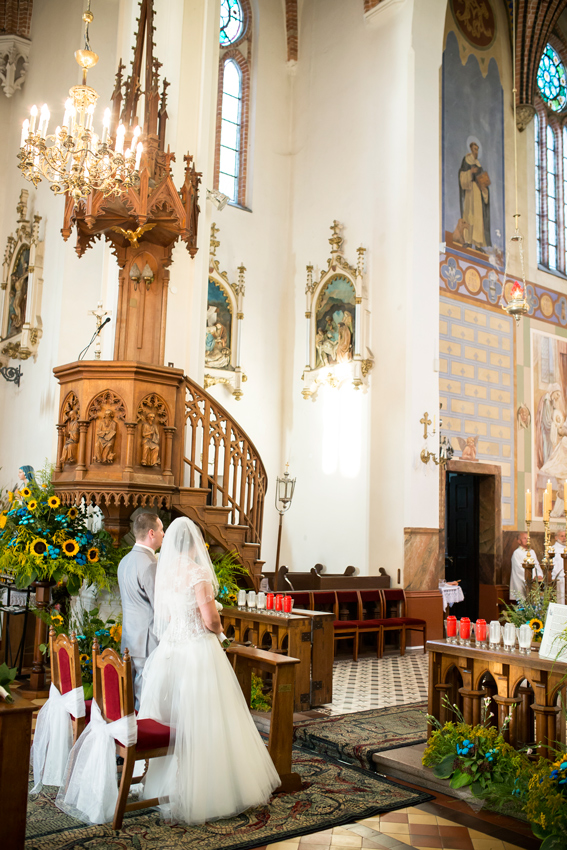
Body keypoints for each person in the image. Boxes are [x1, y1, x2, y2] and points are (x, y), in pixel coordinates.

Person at [137, 516, 280, 824]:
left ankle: (166, 786)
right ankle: (211, 792)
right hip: (197, 651)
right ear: (196, 545)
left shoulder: (166, 571)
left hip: (171, 650)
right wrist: (219, 631)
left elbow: (166, 615)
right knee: (207, 718)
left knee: (174, 716)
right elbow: (211, 620)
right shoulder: (197, 573)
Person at [117, 512, 164, 710]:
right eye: (161, 530)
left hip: (129, 638)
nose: (164, 534)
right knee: (145, 700)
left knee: (130, 697)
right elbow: (160, 606)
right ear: (151, 533)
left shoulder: (125, 560)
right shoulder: (150, 564)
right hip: (147, 642)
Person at [458, 140, 491, 250]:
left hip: (478, 192)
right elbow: (462, 176)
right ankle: (468, 241)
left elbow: (482, 179)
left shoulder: (478, 164)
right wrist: (470, 172)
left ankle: (477, 244)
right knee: (469, 215)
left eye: (477, 150)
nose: (476, 152)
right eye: (475, 149)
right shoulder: (467, 160)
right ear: (471, 149)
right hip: (470, 190)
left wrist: (484, 188)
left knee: (478, 218)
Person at [509, 532, 542, 602]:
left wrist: (539, 575)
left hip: (533, 582)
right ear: (519, 541)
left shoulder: (532, 552)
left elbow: (537, 565)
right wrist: (532, 577)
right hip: (521, 582)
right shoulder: (517, 553)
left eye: (528, 538)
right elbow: (519, 569)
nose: (527, 540)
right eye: (524, 538)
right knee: (524, 602)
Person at [552, 529, 566, 605]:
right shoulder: (552, 549)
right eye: (562, 536)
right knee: (560, 600)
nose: (564, 538)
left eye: (565, 536)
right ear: (556, 537)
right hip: (558, 579)